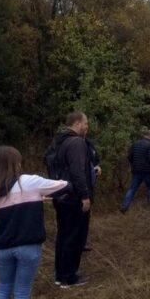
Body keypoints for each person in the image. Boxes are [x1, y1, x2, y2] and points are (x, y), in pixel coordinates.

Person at [0, 146, 68, 299]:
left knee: (3, 290)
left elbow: (12, 206)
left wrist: (36, 197)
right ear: (16, 162)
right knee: (21, 292)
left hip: (2, 248)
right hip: (28, 247)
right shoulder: (30, 181)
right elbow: (64, 185)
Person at [51, 112, 93, 288]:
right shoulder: (76, 143)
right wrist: (84, 196)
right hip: (74, 197)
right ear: (77, 123)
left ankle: (60, 275)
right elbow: (77, 172)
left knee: (63, 235)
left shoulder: (58, 141)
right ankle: (70, 277)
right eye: (85, 123)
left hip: (61, 195)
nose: (86, 127)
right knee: (74, 237)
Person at [121, 127, 150, 213]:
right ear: (149, 136)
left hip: (136, 171)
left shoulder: (135, 144)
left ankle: (124, 206)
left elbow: (129, 156)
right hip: (147, 171)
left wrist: (133, 165)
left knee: (132, 189)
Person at [81, 139, 101, 253]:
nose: (86, 127)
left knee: (86, 217)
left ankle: (82, 243)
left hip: (89, 187)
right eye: (85, 124)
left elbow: (96, 159)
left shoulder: (89, 144)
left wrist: (97, 166)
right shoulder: (70, 144)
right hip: (78, 190)